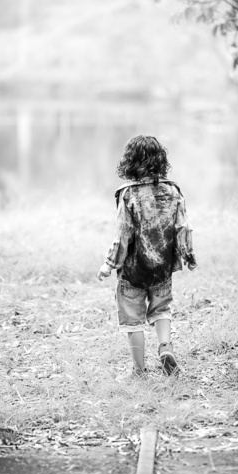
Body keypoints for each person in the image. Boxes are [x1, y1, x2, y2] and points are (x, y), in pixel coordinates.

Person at [97, 135, 196, 376]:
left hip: (133, 270)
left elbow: (123, 233)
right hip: (162, 267)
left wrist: (109, 264)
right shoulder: (173, 191)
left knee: (133, 320)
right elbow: (183, 227)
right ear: (160, 160)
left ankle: (139, 371)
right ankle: (165, 347)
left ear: (129, 162)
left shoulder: (128, 194)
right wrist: (188, 255)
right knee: (161, 309)